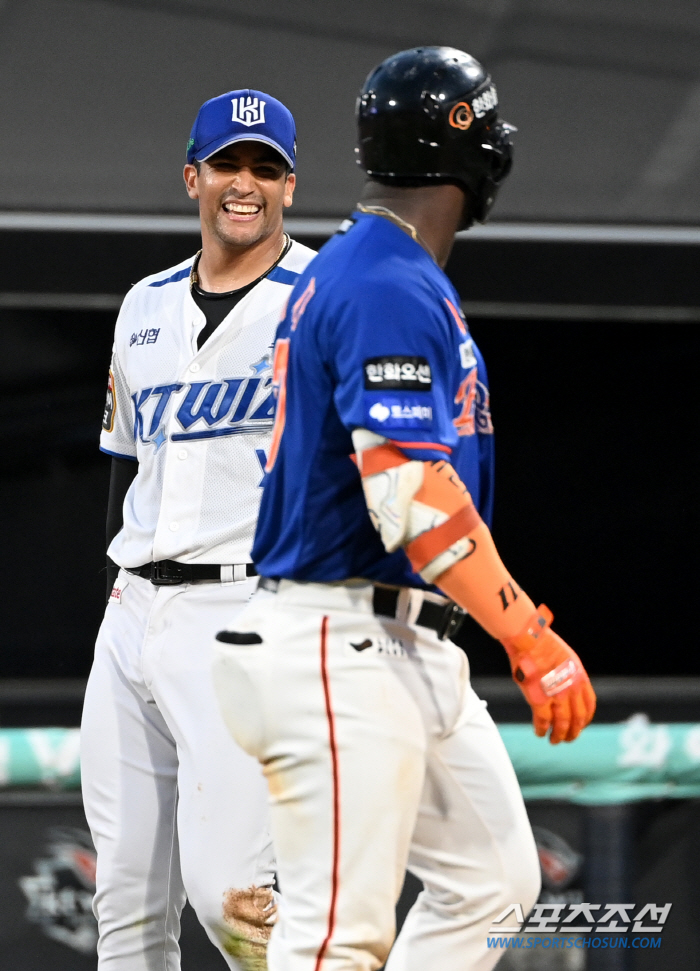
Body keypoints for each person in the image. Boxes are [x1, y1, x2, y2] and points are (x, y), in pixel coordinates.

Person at [212, 48, 597, 971]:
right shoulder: (382, 278)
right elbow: (412, 497)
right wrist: (532, 637)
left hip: (396, 638)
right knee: (335, 941)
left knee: (494, 882)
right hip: (333, 634)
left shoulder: (389, 271)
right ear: (473, 153)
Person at [81, 89, 316, 970]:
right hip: (134, 611)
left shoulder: (323, 298)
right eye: (228, 164)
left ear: (292, 185)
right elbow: (124, 464)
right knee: (127, 915)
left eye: (265, 167)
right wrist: (114, 602)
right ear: (193, 177)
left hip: (245, 605)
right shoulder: (142, 304)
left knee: (234, 900)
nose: (244, 183)